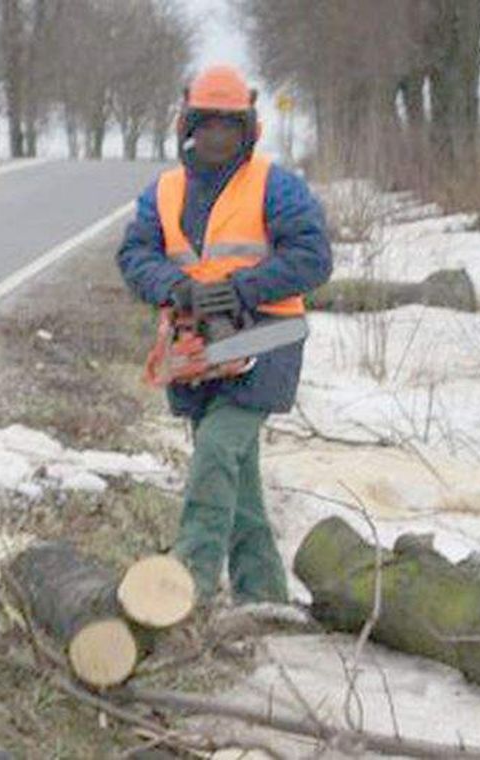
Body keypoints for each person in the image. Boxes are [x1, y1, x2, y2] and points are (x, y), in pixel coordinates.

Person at [116, 65, 332, 605]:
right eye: (207, 124)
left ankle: (187, 587)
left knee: (215, 450)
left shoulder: (275, 187)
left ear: (248, 130)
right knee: (238, 474)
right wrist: (176, 288)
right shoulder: (164, 192)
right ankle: (263, 595)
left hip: (265, 337)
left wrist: (242, 289)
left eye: (228, 125)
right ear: (188, 125)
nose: (216, 136)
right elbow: (134, 254)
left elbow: (312, 256)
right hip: (197, 345)